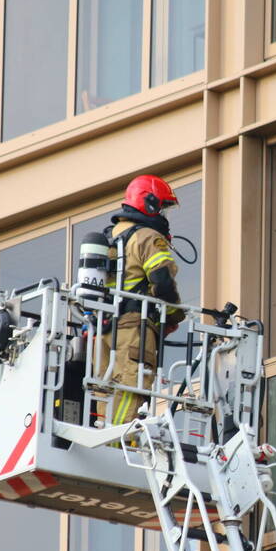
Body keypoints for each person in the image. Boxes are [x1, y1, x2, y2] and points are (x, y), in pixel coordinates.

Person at [99, 174, 184, 427]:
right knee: (132, 389)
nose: (163, 215)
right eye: (162, 208)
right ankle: (119, 442)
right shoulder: (147, 237)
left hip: (103, 330)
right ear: (149, 203)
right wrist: (174, 316)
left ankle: (105, 438)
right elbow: (163, 282)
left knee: (105, 392)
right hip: (134, 330)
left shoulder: (110, 236)